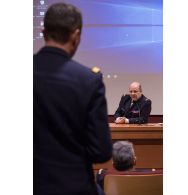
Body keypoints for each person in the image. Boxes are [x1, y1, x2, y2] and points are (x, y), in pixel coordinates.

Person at [33, 3, 112, 195]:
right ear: (76, 35)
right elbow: (101, 152)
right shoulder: (89, 80)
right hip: (73, 187)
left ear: (44, 32)